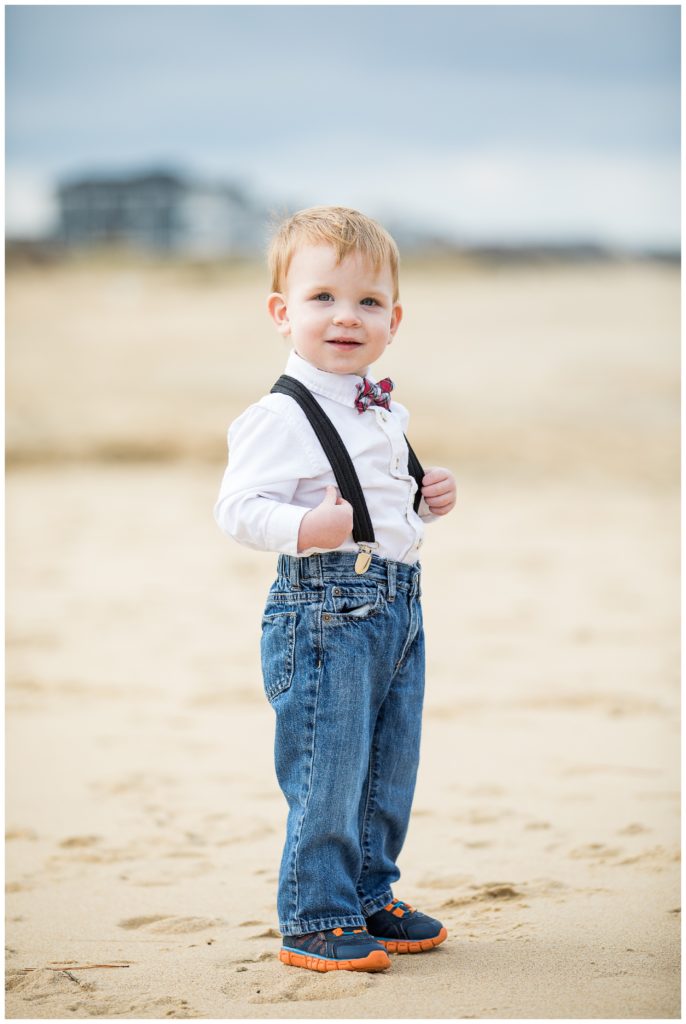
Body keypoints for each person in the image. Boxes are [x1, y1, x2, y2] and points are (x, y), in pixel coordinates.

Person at [214, 206, 457, 973]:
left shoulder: (380, 405)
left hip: (396, 606)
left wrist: (424, 495)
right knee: (329, 765)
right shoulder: (279, 414)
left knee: (389, 763)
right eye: (322, 298)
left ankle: (369, 892)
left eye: (368, 302)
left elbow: (380, 501)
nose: (346, 317)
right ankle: (316, 916)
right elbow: (237, 507)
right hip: (323, 609)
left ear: (395, 319)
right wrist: (302, 529)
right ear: (283, 313)